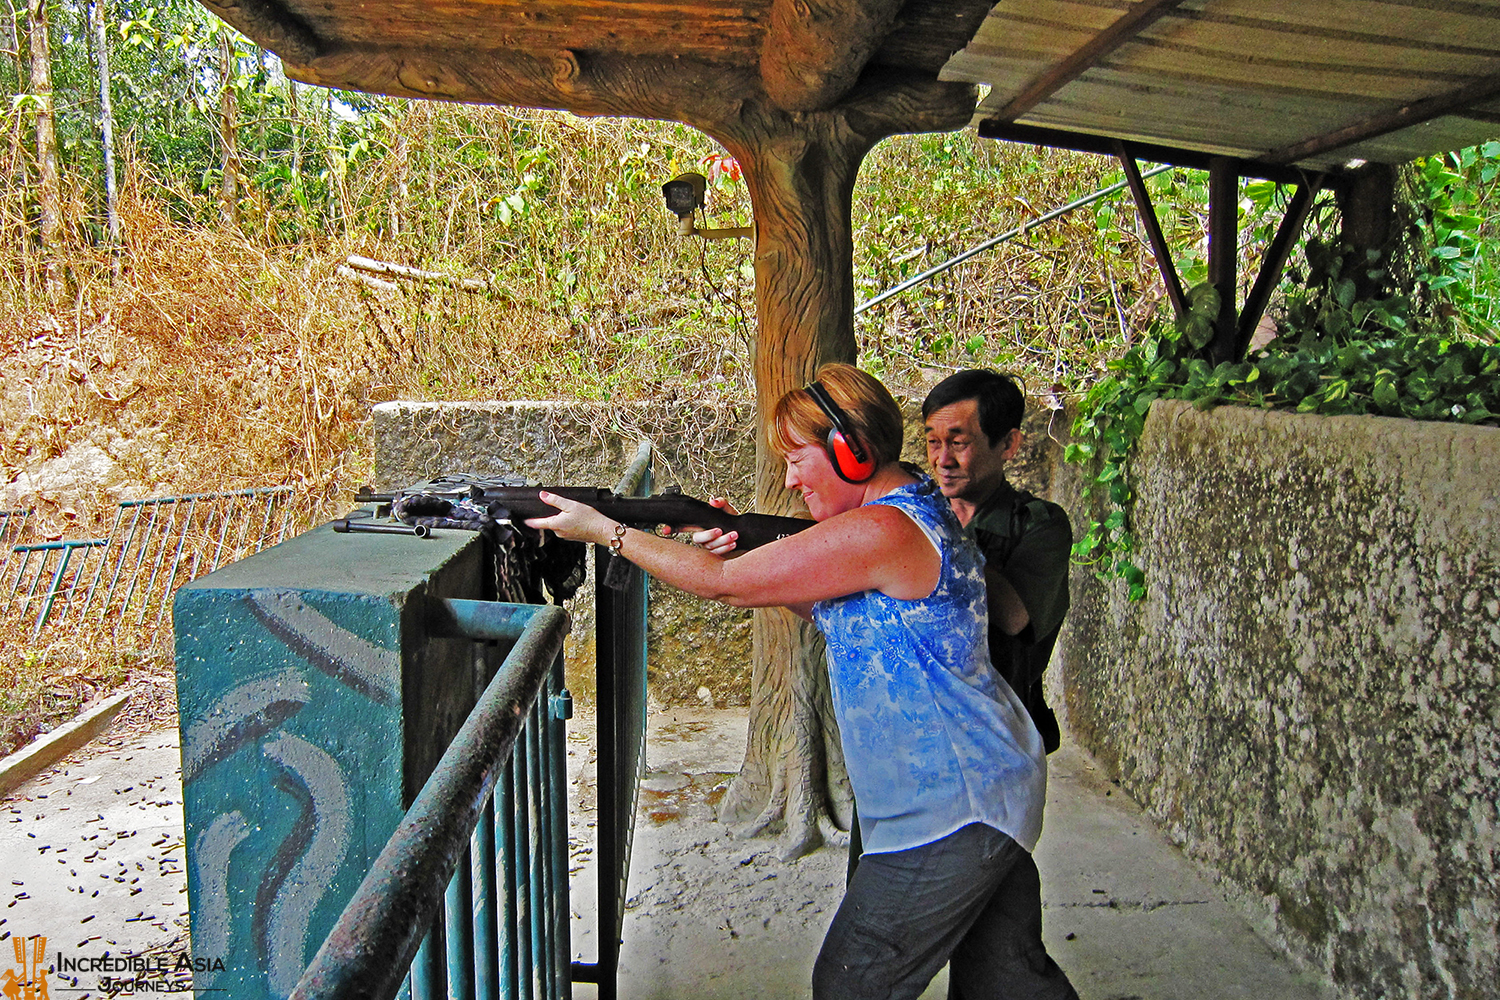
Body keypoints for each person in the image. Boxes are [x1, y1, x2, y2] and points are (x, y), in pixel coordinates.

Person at [528, 363, 1077, 1000]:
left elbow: (721, 586)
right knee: (1007, 980)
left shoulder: (887, 527)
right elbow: (831, 610)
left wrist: (607, 532)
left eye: (798, 458)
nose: (789, 479)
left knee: (853, 981)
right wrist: (737, 555)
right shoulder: (905, 515)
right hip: (977, 787)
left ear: (851, 448)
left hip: (955, 805)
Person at [922, 369, 1073, 754]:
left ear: (1008, 444)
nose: (943, 460)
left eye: (958, 442)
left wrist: (934, 534)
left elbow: (1014, 616)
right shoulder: (918, 513)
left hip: (997, 737)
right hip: (920, 729)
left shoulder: (1039, 525)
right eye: (933, 442)